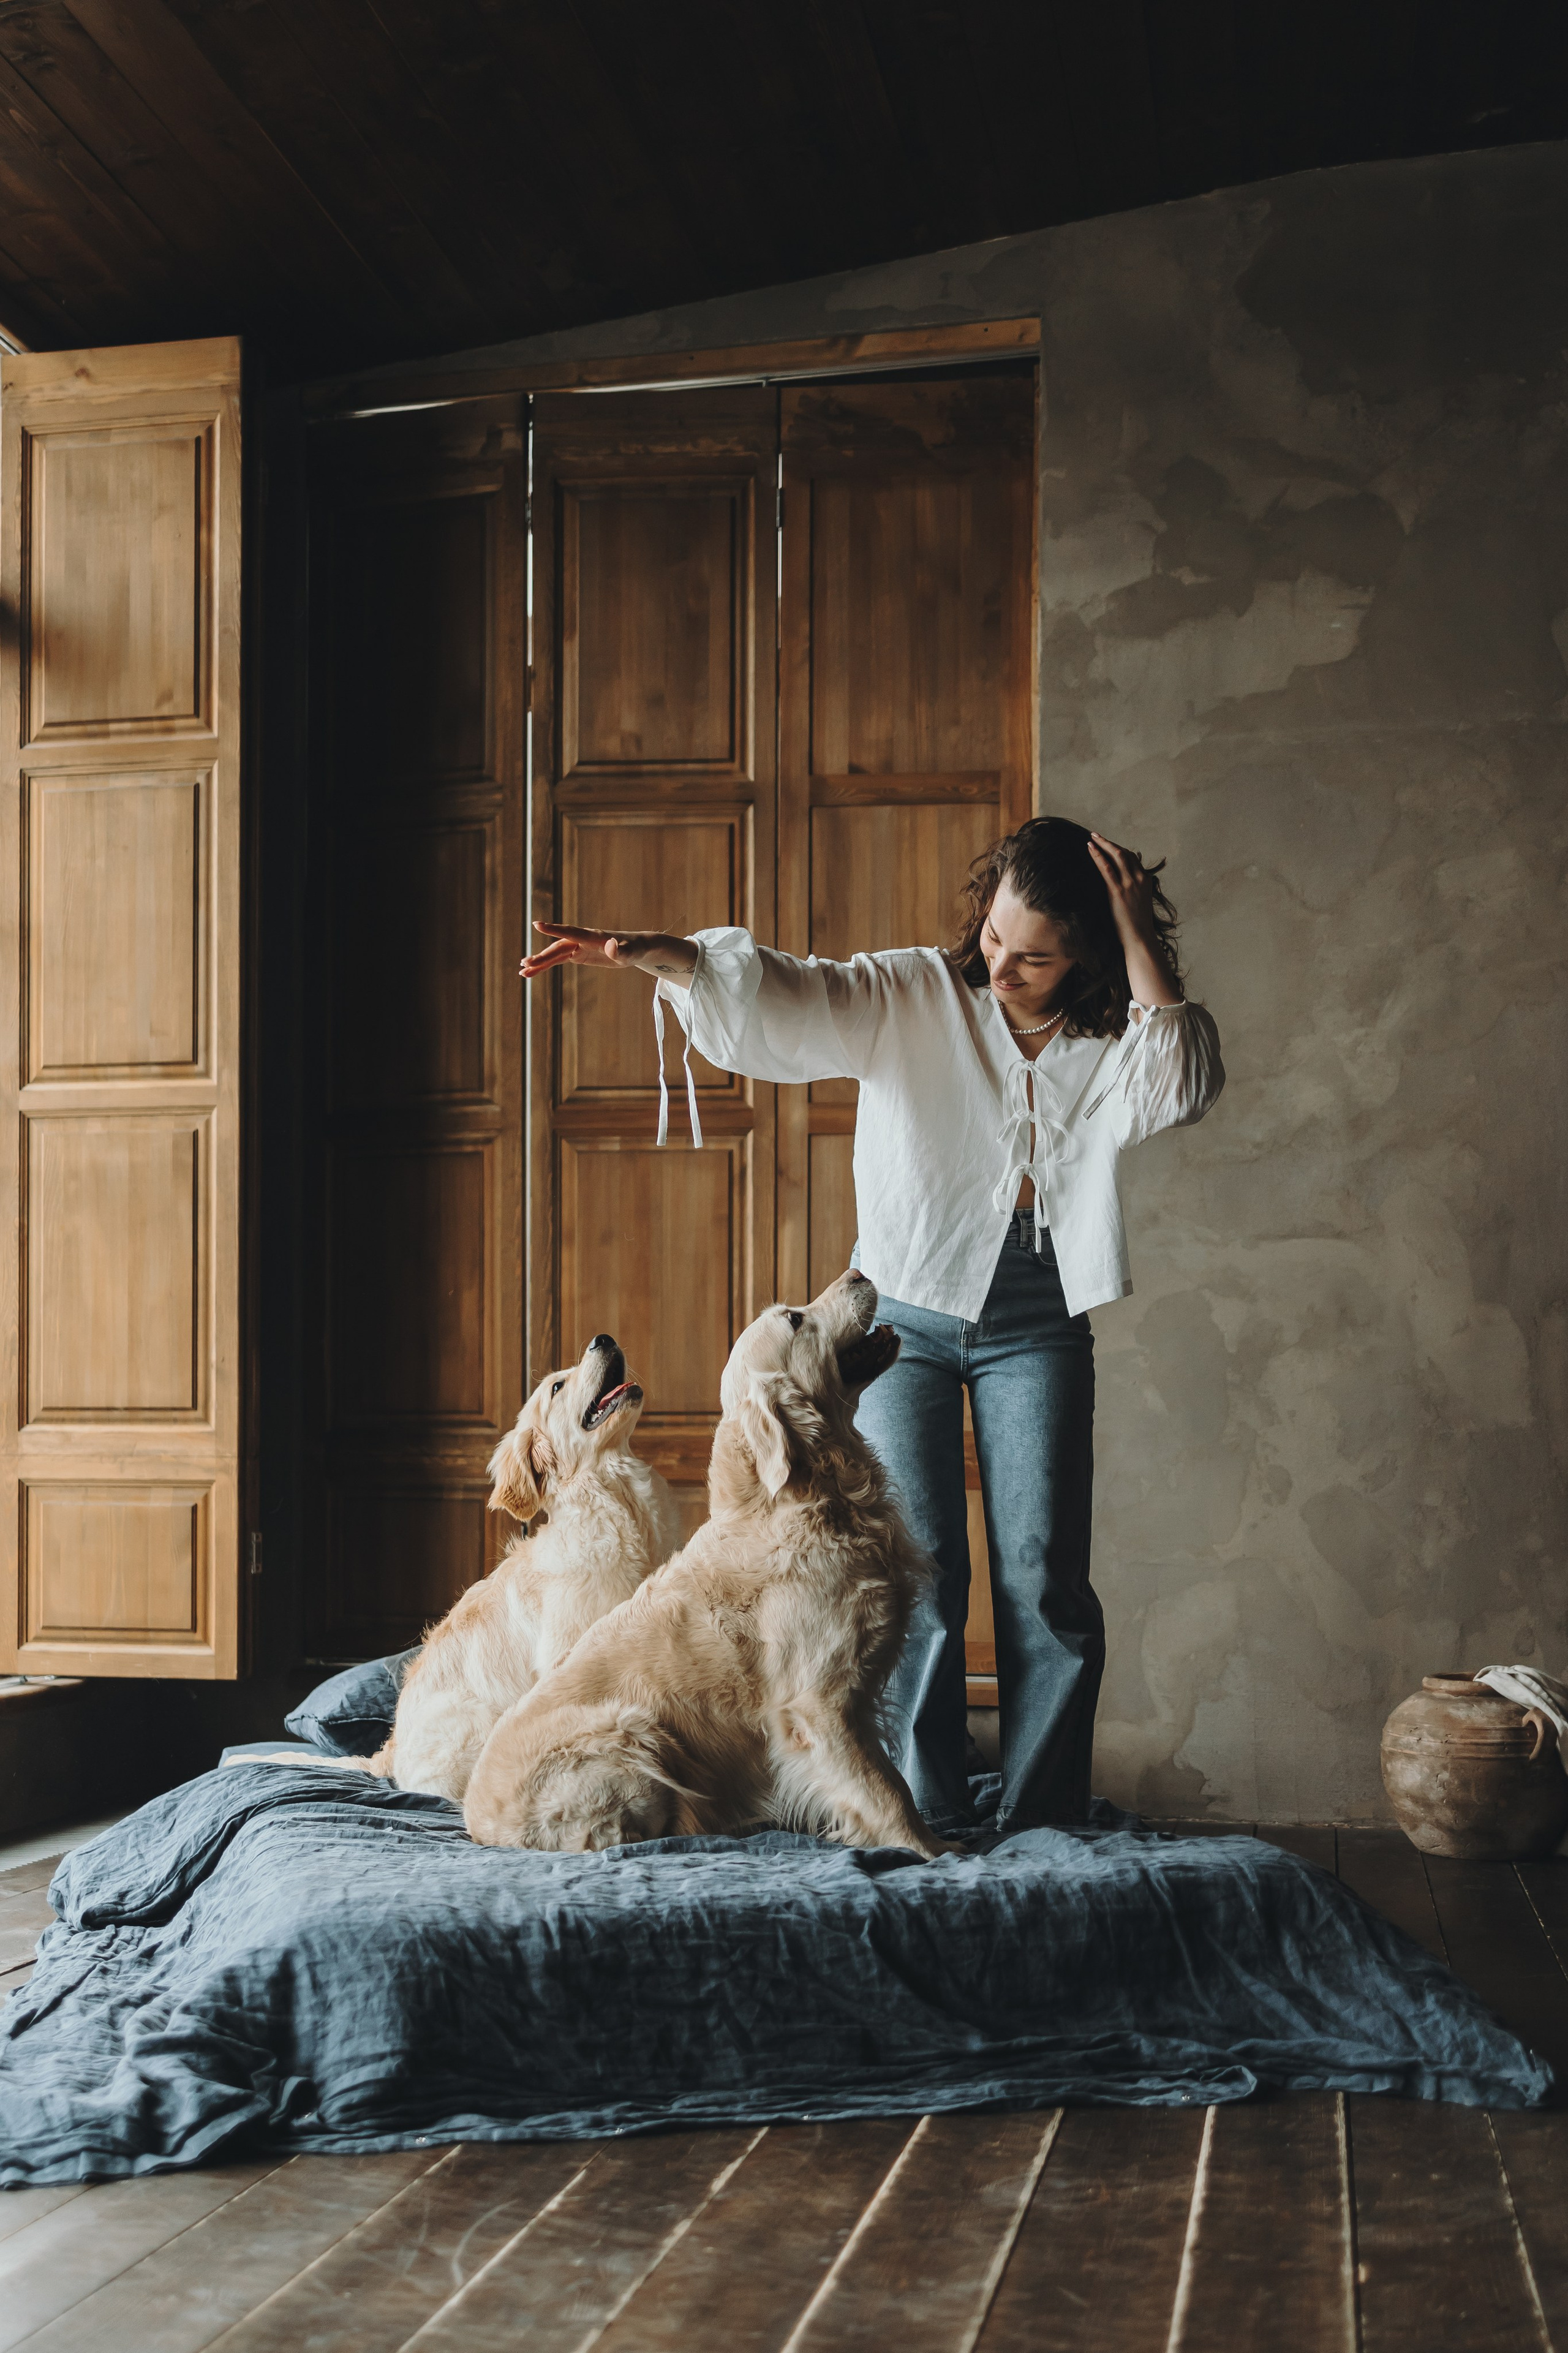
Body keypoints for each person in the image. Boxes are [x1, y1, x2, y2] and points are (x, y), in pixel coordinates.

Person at [520, 817, 1224, 1833]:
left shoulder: (1111, 1038)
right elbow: (791, 990)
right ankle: (918, 1811)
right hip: (897, 1323)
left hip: (1040, 1316)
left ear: (1087, 954)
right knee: (917, 1576)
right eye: (993, 938)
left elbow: (1185, 1080)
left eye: (1035, 955)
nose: (1003, 966)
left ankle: (1043, 1825)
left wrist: (1135, 929)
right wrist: (659, 957)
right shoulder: (913, 992)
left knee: (1046, 1578)